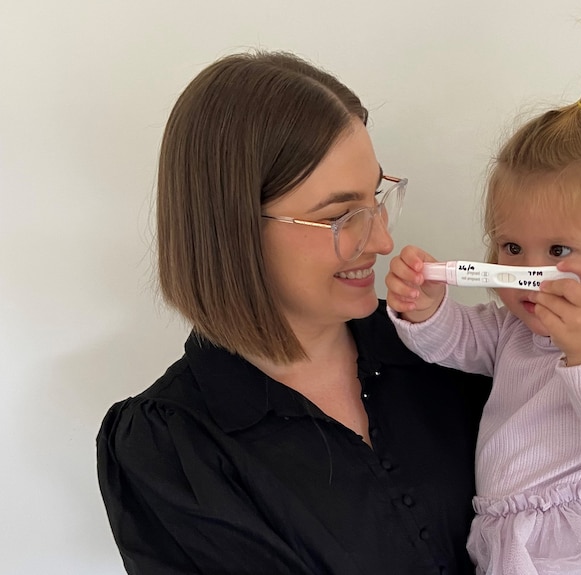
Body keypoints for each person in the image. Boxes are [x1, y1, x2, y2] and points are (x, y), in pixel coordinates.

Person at [96, 50, 491, 575]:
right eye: (340, 216)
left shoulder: (442, 347)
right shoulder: (169, 450)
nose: (382, 239)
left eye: (376, 198)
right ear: (231, 230)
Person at [385, 25, 581, 575]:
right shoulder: (515, 330)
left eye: (557, 249)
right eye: (511, 247)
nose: (528, 273)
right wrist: (424, 307)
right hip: (515, 539)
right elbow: (455, 342)